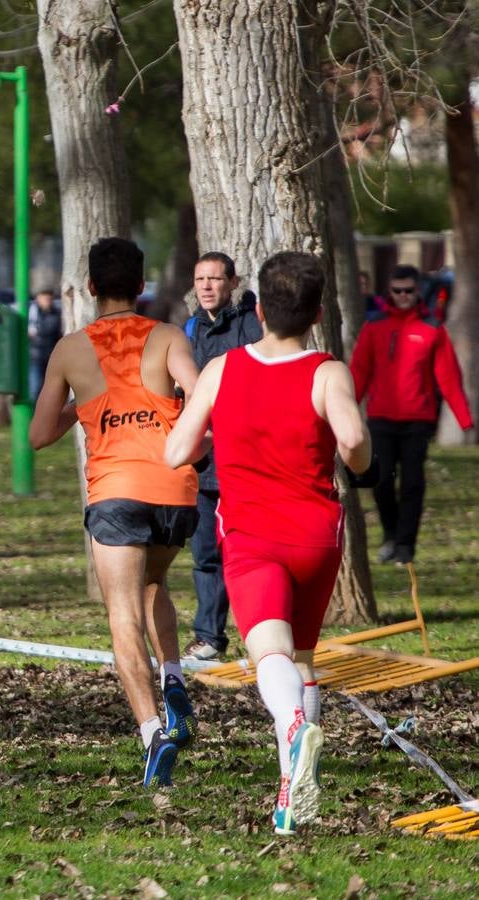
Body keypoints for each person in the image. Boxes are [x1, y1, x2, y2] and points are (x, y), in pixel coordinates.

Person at [165, 251, 372, 835]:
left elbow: (178, 452)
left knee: (270, 655)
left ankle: (291, 730)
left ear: (258, 305)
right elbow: (354, 441)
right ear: (317, 312)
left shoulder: (223, 370)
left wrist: (214, 439)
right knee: (301, 660)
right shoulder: (328, 371)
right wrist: (360, 461)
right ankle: (292, 798)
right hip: (316, 537)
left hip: (253, 535)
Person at [29, 237, 200, 789]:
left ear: (90, 288)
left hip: (116, 492)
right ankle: (174, 676)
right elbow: (201, 401)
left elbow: (37, 436)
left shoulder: (70, 349)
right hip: (175, 489)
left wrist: (86, 403)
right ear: (142, 286)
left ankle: (153, 734)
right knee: (153, 581)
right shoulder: (170, 335)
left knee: (121, 612)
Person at [349, 264, 472, 564]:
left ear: (418, 291)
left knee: (413, 484)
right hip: (381, 418)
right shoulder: (374, 326)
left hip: (418, 420)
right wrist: (346, 409)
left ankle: (406, 545)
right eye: (397, 291)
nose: (403, 296)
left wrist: (465, 420)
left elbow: (449, 377)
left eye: (408, 291)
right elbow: (359, 372)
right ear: (389, 292)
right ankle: (390, 534)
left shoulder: (432, 329)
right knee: (381, 481)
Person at [180, 252, 263, 662]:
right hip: (203, 463)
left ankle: (262, 639)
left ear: (232, 282)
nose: (207, 286)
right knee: (205, 554)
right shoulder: (190, 329)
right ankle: (209, 638)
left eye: (215, 279)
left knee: (249, 554)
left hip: (246, 460)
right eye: (200, 279)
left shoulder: (251, 324)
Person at [29, 289, 63, 401]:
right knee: (35, 388)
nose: (47, 300)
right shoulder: (32, 313)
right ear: (38, 298)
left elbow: (58, 334)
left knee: (50, 389)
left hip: (50, 356)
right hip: (35, 356)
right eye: (44, 298)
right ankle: (35, 415)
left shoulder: (56, 314)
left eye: (49, 298)